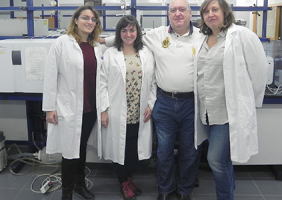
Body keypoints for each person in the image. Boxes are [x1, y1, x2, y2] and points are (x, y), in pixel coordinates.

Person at [103, 1, 203, 199]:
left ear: (191, 13)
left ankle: (184, 191)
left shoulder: (202, 37)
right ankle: (165, 190)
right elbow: (126, 36)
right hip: (164, 102)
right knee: (164, 151)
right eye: (173, 10)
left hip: (192, 103)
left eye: (182, 9)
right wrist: (97, 40)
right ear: (168, 14)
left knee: (190, 151)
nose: (177, 14)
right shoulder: (157, 35)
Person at [194, 0, 267, 199]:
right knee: (223, 160)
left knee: (216, 160)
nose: (210, 14)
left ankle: (225, 197)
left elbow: (259, 70)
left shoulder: (241, 36)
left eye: (215, 9)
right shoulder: (202, 38)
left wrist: (250, 102)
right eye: (206, 11)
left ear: (225, 12)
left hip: (228, 111)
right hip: (206, 111)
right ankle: (229, 192)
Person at [42, 6, 103, 200]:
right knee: (69, 152)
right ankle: (66, 193)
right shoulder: (62, 43)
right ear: (75, 20)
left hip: (91, 108)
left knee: (81, 147)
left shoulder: (96, 45)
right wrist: (49, 108)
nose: (89, 22)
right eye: (85, 18)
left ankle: (79, 185)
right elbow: (50, 76)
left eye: (93, 19)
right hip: (68, 108)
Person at [100, 15, 156, 200]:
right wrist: (103, 109)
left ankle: (129, 179)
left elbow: (153, 81)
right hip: (117, 110)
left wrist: (150, 104)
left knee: (132, 148)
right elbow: (102, 84)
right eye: (124, 30)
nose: (128, 34)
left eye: (132, 30)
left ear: (137, 32)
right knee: (119, 148)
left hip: (138, 111)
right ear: (119, 33)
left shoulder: (147, 53)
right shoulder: (110, 54)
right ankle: (123, 183)